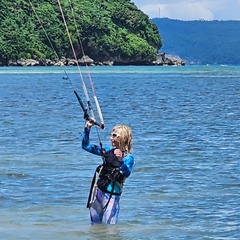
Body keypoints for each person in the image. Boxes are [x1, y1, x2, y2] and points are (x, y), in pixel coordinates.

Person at [82, 119, 134, 224]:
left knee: (111, 230)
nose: (111, 138)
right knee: (95, 227)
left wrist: (121, 161)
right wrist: (87, 128)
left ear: (123, 138)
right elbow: (86, 146)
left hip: (112, 197)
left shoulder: (128, 157)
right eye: (111, 135)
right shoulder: (107, 151)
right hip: (98, 193)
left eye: (114, 135)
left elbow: (127, 173)